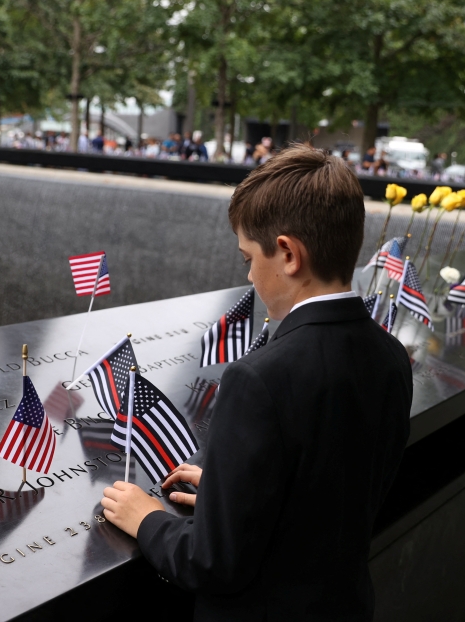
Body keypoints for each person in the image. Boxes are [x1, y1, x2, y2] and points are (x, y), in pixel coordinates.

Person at [101, 145, 414, 621]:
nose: (248, 273)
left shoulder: (258, 379)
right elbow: (329, 496)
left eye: (249, 256)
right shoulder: (390, 356)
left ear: (288, 254)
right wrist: (233, 491)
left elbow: (212, 563)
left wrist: (147, 519)